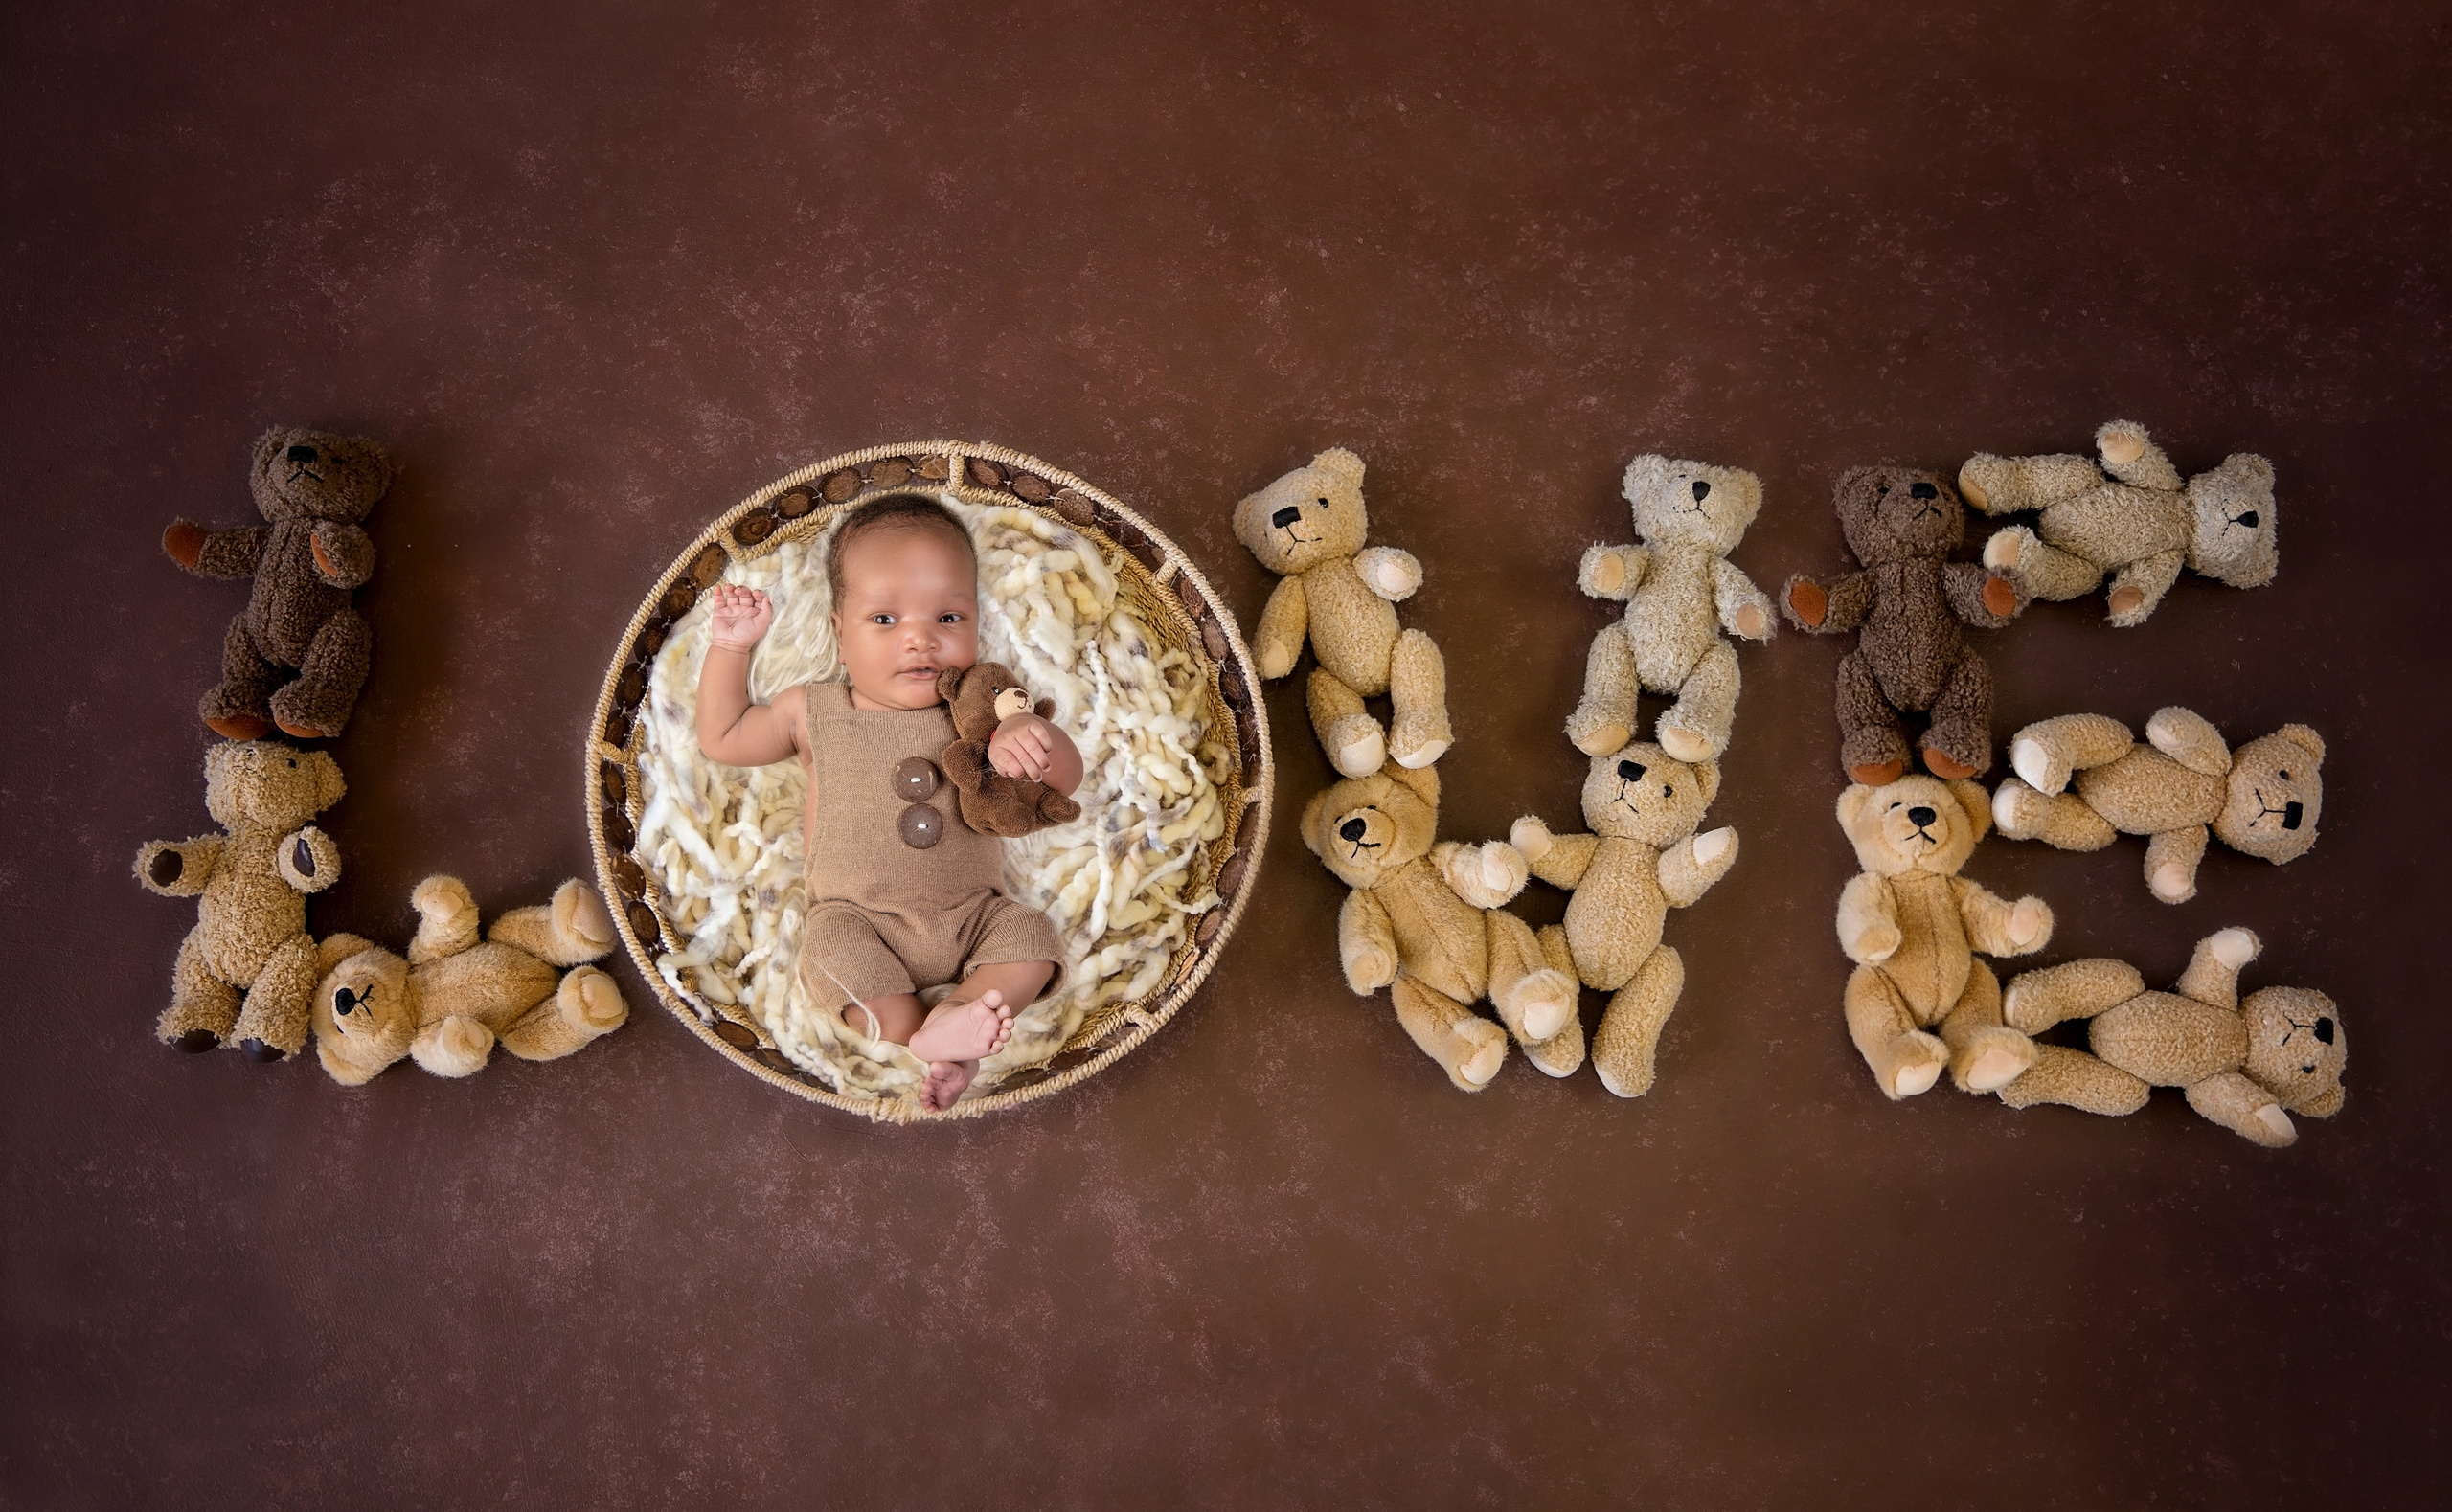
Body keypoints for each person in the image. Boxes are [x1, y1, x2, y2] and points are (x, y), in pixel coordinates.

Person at [694, 494, 1083, 1110]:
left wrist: (1029, 738)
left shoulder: (981, 712)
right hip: (858, 918)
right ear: (837, 633)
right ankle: (923, 1037)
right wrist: (731, 648)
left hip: (973, 916)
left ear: (977, 622)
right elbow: (723, 736)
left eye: (948, 618)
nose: (919, 641)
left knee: (1032, 937)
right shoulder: (814, 710)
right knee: (827, 952)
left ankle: (961, 1012)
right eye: (884, 620)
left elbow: (1063, 779)